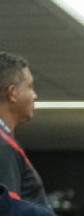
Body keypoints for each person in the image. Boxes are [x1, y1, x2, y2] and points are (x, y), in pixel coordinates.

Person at [0, 52, 47, 208]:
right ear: (12, 93)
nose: (35, 95)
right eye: (30, 87)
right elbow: (8, 214)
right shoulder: (4, 147)